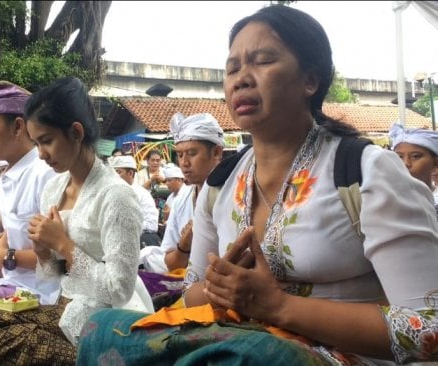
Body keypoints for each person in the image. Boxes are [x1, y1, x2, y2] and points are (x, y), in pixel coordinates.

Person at [77, 5, 438, 365]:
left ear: (310, 79)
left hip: (337, 356)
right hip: (237, 341)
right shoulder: (221, 183)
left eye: (263, 61)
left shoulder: (365, 170)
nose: (241, 78)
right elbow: (193, 295)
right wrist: (219, 288)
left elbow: (428, 328)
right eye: (232, 68)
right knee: (101, 327)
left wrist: (278, 307)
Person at [0, 76, 143, 365]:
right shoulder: (54, 188)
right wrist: (44, 254)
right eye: (37, 143)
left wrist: (64, 245)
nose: (41, 154)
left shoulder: (115, 196)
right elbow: (56, 274)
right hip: (65, 309)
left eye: (47, 141)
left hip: (105, 325)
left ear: (76, 133)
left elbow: (119, 290)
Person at [0, 80, 60, 304]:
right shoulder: (7, 177)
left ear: (18, 127)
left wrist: (5, 256)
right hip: (13, 286)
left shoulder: (45, 173)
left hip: (43, 294)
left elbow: (60, 259)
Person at [139, 112, 224, 274]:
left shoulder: (233, 195)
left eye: (192, 153)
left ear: (216, 153)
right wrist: (184, 246)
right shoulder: (181, 199)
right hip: (187, 283)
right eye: (179, 155)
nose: (184, 163)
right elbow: (171, 262)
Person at [108, 155, 160, 247]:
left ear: (130, 173)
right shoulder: (114, 192)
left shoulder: (139, 193)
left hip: (140, 238)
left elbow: (151, 225)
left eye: (118, 172)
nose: (114, 176)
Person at [389, 121, 438, 210]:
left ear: (435, 163)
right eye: (399, 157)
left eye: (416, 156)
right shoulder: (386, 201)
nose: (406, 163)